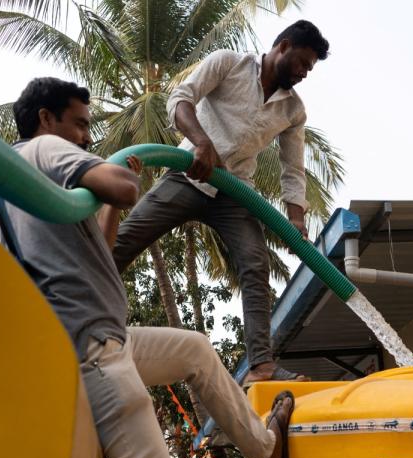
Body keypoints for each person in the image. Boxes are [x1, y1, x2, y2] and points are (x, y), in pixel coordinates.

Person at [6, 77, 295, 458]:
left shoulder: (35, 176)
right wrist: (123, 173)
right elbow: (122, 187)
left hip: (108, 334)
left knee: (193, 350)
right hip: (91, 343)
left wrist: (112, 200)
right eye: (81, 124)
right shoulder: (44, 148)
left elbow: (103, 238)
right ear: (46, 119)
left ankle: (265, 448)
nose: (87, 137)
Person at [111, 20, 330, 386]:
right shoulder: (229, 62)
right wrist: (200, 142)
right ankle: (73, 299)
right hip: (189, 174)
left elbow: (293, 168)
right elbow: (180, 99)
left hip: (234, 193)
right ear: (284, 46)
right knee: (127, 238)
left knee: (256, 266)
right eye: (303, 63)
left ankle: (261, 367)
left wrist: (296, 218)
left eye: (309, 69)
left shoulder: (294, 110)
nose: (305, 73)